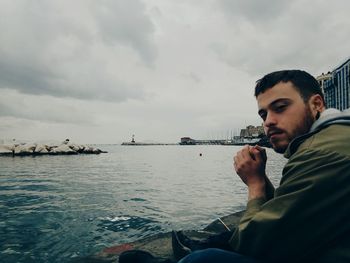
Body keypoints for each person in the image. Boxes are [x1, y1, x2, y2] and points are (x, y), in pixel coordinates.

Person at [177, 69, 350, 263]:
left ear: (316, 104)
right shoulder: (332, 138)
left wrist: (255, 183)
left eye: (281, 107)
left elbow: (254, 244)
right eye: (263, 114)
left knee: (202, 260)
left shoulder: (320, 152)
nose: (268, 122)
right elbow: (285, 211)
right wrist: (261, 176)